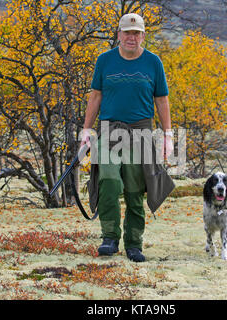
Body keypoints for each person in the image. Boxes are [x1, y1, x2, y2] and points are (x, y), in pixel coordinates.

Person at [80, 13, 174, 262]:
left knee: (135, 189)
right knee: (108, 180)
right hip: (109, 130)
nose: (131, 37)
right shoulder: (105, 60)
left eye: (136, 33)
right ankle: (109, 237)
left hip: (141, 131)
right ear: (119, 34)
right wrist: (87, 131)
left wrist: (168, 135)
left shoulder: (153, 62)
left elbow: (161, 100)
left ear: (143, 35)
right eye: (127, 32)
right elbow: (96, 96)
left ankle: (134, 243)